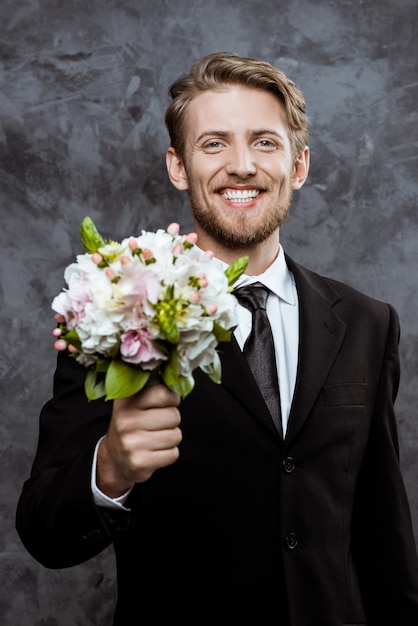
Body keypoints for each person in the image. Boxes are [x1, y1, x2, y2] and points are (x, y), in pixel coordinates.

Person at [16, 52, 418, 625]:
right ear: (178, 167)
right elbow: (44, 533)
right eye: (213, 144)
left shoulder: (368, 321)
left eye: (265, 142)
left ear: (298, 165)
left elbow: (384, 535)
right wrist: (109, 470)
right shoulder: (115, 309)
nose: (242, 165)